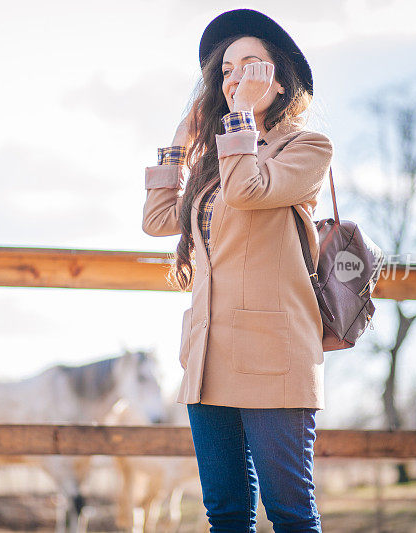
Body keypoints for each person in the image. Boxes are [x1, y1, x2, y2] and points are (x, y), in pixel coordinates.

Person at [141, 8, 333, 533]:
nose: (234, 79)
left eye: (250, 66)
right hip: (207, 359)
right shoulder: (217, 158)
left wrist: (241, 116)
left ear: (279, 77)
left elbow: (249, 191)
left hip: (274, 357)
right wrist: (182, 138)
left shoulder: (307, 148)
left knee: (291, 515)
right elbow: (158, 220)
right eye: (226, 71)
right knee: (225, 514)